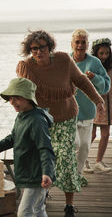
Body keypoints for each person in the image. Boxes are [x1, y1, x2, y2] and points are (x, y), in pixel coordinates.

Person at [16, 30, 104, 217]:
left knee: (65, 159)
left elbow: (81, 80)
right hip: (41, 121)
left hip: (65, 117)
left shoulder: (64, 60)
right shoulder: (26, 66)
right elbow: (21, 94)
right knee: (43, 160)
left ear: (50, 47)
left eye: (42, 47)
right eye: (33, 49)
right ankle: (43, 195)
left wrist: (98, 100)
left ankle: (69, 205)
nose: (38, 52)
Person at [0, 77, 55, 217]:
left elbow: (45, 148)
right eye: (10, 98)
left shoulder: (37, 120)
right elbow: (14, 137)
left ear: (28, 98)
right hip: (28, 170)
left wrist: (47, 172)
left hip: (37, 173)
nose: (12, 102)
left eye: (17, 98)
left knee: (24, 212)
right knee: (38, 209)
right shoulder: (22, 115)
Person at [70, 29, 110, 184]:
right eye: (77, 42)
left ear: (87, 44)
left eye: (83, 42)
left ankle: (77, 175)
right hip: (69, 112)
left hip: (87, 112)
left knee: (85, 147)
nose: (80, 45)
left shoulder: (94, 62)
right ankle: (69, 171)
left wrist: (95, 78)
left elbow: (106, 86)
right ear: (72, 43)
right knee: (76, 143)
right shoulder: (66, 60)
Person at [90, 38, 112, 172]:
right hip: (94, 103)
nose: (104, 56)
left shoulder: (111, 65)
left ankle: (98, 161)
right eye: (101, 53)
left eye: (107, 53)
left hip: (109, 104)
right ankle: (83, 159)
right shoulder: (92, 66)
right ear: (96, 53)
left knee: (105, 134)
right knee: (90, 135)